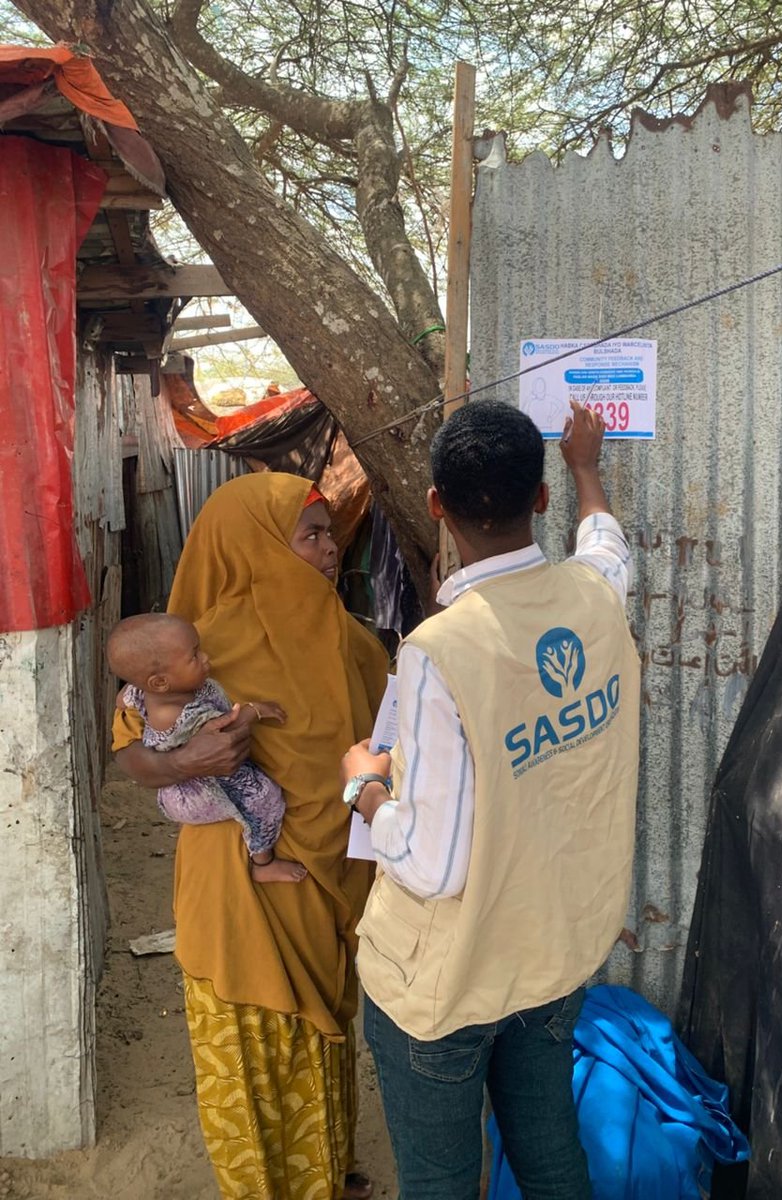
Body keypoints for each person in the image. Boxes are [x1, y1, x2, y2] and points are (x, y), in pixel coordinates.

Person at [341, 399, 640, 1200]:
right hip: (552, 956)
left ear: (436, 505)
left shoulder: (440, 653)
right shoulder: (594, 599)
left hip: (449, 981)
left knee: (441, 1182)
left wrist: (364, 786)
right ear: (539, 499)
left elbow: (431, 863)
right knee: (549, 1157)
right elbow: (606, 545)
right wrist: (586, 466)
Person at [112, 474, 388, 1200]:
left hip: (324, 879)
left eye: (331, 534)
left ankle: (327, 1174)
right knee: (251, 1038)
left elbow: (383, 744)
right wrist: (182, 759)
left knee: (320, 1028)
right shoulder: (200, 648)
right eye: (313, 535)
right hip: (235, 883)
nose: (331, 551)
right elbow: (129, 751)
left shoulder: (351, 639)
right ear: (258, 542)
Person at [106, 611, 306, 884]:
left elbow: (127, 695)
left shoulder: (147, 689)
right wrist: (254, 710)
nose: (206, 658)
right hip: (201, 788)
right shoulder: (178, 713)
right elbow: (225, 732)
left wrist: (122, 700)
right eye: (195, 656)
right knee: (262, 800)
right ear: (160, 682)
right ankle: (263, 861)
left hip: (190, 779)